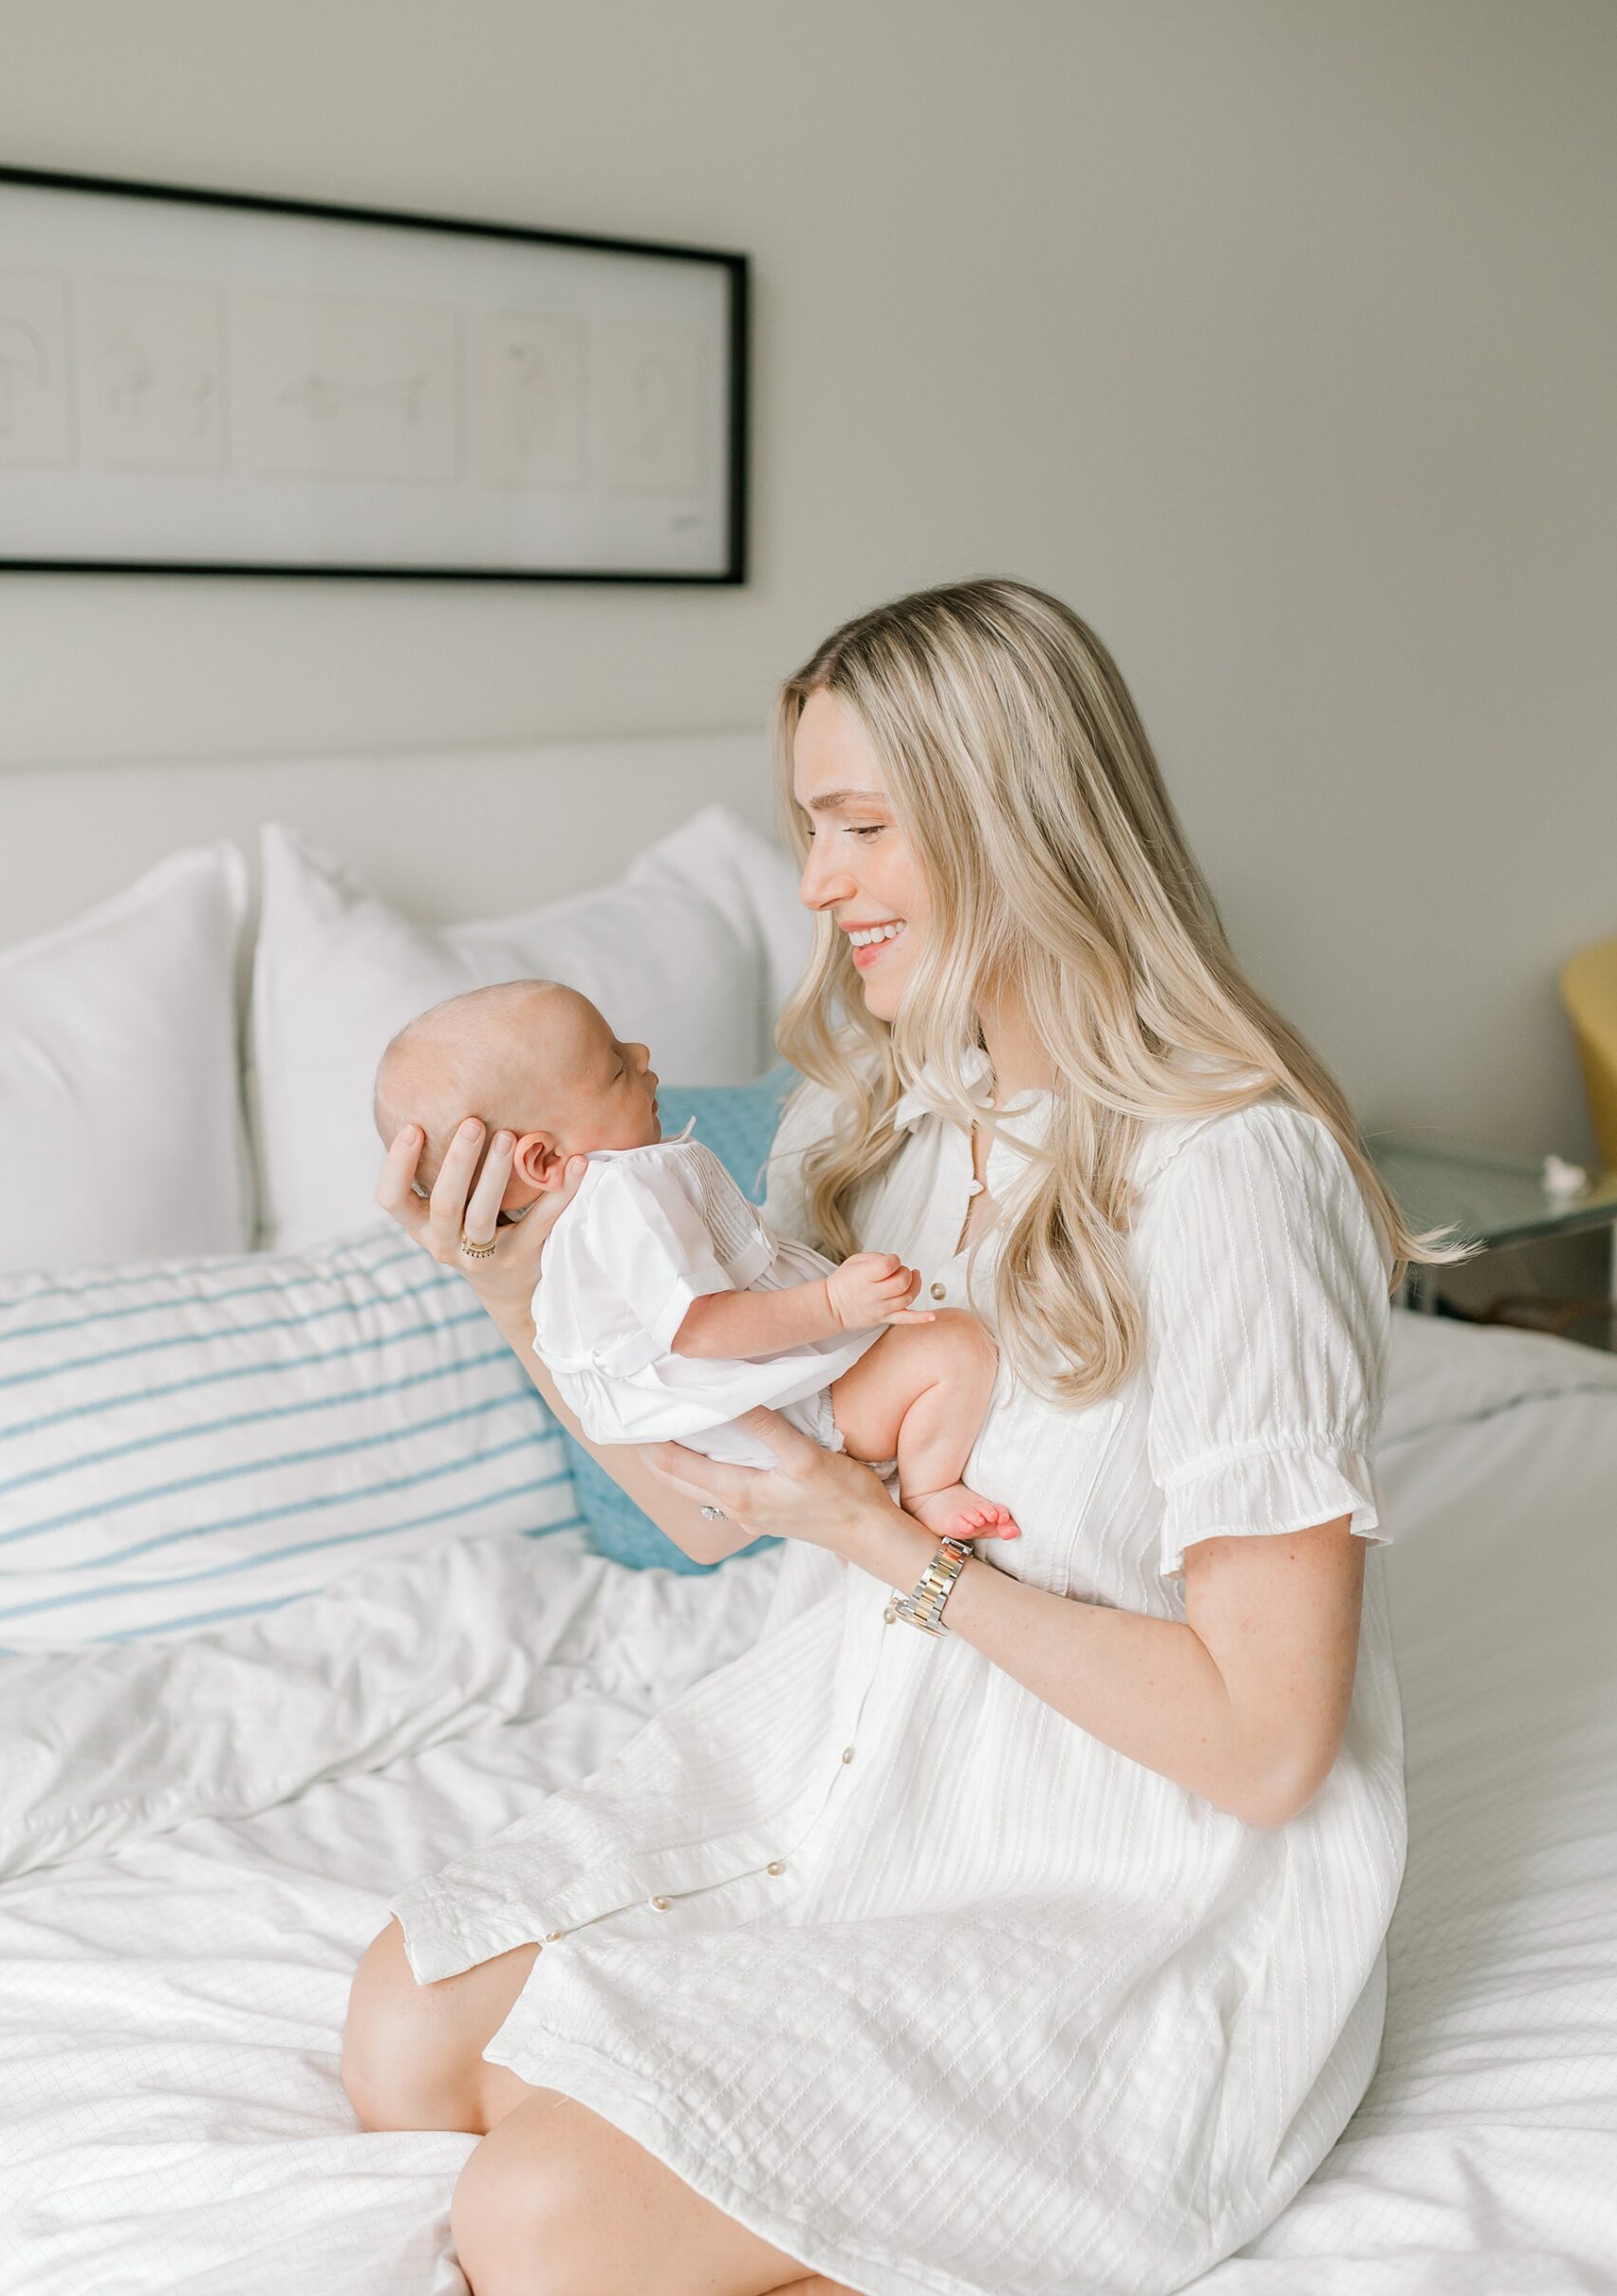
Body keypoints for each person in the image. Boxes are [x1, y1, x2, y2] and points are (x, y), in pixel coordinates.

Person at [344, 577, 1465, 2296]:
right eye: (811, 827)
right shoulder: (870, 1123)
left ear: (1017, 826)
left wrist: (877, 1538)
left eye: (860, 827)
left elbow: (1261, 1749)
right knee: (407, 2038)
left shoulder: (1230, 1173)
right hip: (847, 1773)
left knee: (539, 2217)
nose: (814, 885)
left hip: (1104, 1876)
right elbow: (714, 1511)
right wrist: (517, 1295)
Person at [371, 979, 1013, 1542]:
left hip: (775, 1422)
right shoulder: (625, 1189)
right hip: (813, 1409)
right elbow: (699, 1326)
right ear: (541, 1160)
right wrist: (833, 1304)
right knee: (956, 1348)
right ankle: (925, 1493)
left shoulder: (571, 1239)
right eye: (617, 1068)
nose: (644, 1055)